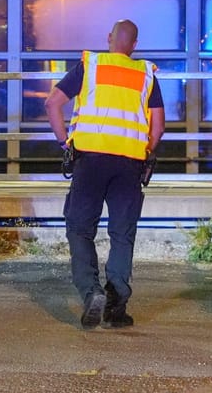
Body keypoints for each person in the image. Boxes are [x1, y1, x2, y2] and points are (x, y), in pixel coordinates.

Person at [44, 20, 165, 329]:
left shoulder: (90, 66)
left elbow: (53, 103)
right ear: (135, 45)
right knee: (122, 235)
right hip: (129, 166)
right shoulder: (146, 74)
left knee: (80, 229)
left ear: (109, 39)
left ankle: (91, 292)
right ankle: (116, 305)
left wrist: (64, 143)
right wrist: (144, 151)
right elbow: (158, 126)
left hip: (90, 161)